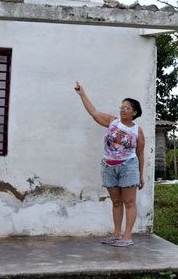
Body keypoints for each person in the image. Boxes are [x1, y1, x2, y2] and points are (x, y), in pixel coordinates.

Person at [75, 81, 145, 247]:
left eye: (127, 108)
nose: (122, 109)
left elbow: (140, 153)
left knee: (129, 202)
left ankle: (127, 236)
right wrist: (82, 94)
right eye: (122, 106)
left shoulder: (137, 131)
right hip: (108, 166)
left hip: (128, 166)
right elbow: (93, 112)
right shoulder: (112, 122)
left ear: (134, 113)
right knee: (115, 202)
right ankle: (116, 233)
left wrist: (141, 175)